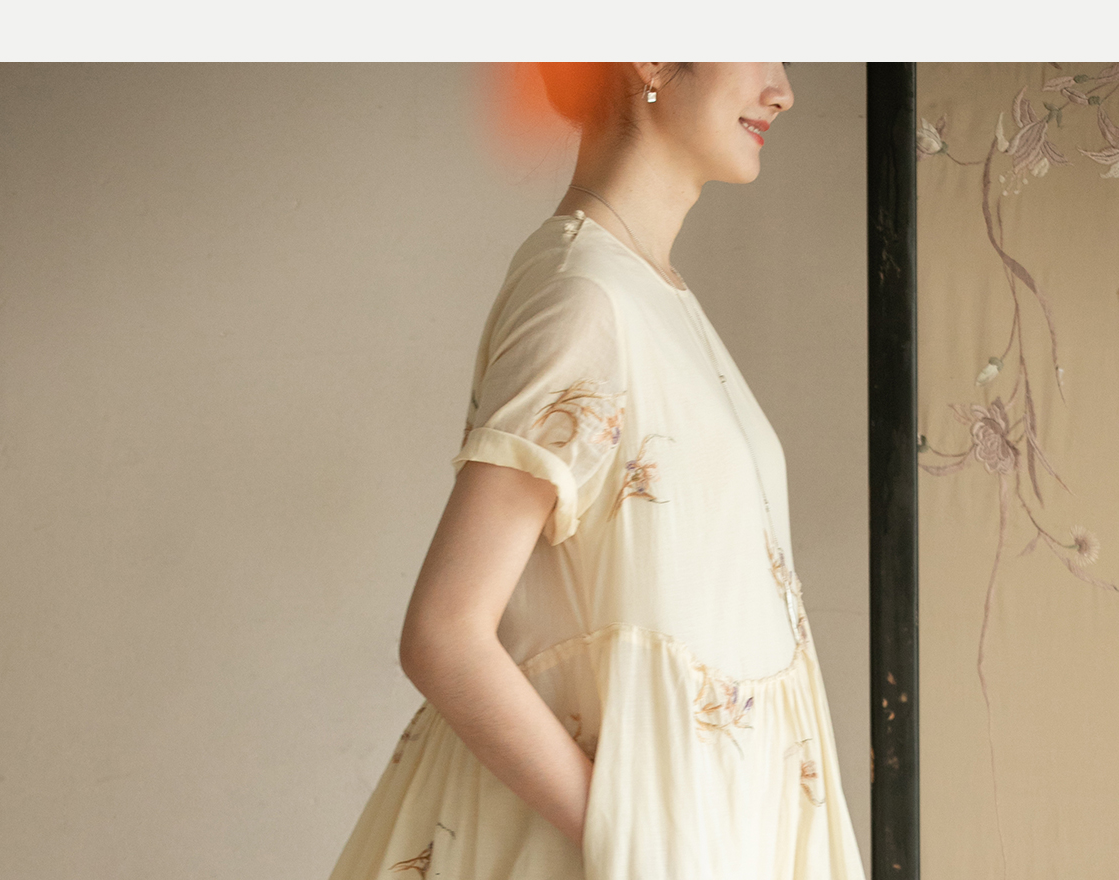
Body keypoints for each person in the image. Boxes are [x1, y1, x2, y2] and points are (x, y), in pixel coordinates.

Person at [331, 62, 866, 880]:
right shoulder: (583, 296)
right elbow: (445, 632)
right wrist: (644, 846)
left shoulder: (651, 292)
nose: (782, 90)